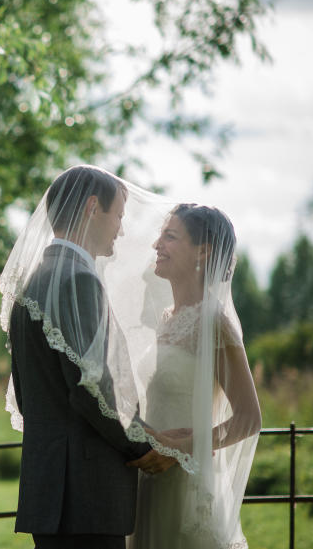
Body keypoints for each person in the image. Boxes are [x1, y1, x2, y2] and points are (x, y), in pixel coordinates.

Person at [0, 165, 163, 549]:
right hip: (87, 492)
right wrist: (142, 447)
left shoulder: (31, 281)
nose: (121, 229)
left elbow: (26, 393)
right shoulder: (79, 279)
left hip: (49, 489)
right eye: (118, 215)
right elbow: (92, 387)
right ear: (92, 208)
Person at [126, 204, 261, 549]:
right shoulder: (167, 319)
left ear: (203, 251)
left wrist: (180, 449)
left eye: (169, 236)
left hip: (185, 486)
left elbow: (248, 419)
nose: (157, 245)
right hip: (149, 480)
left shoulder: (213, 321)